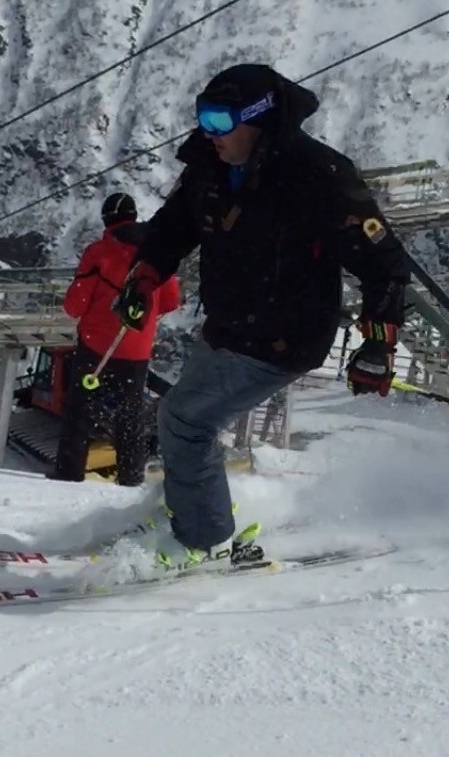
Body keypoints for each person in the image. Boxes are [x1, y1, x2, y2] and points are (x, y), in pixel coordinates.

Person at [114, 63, 411, 570]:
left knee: (185, 420)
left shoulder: (318, 176)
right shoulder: (209, 163)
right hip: (226, 326)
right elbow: (173, 227)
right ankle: (191, 511)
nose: (209, 133)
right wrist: (144, 277)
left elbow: (384, 262)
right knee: (182, 420)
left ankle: (204, 542)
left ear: (259, 119)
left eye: (220, 121)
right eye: (202, 118)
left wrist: (379, 342)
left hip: (286, 337)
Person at [53, 192, 181, 485]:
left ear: (106, 220)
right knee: (130, 413)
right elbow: (171, 300)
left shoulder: (99, 252)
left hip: (96, 345)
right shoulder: (156, 252)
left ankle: (69, 473)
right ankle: (131, 476)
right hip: (136, 349)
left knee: (80, 409)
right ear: (134, 216)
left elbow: (75, 305)